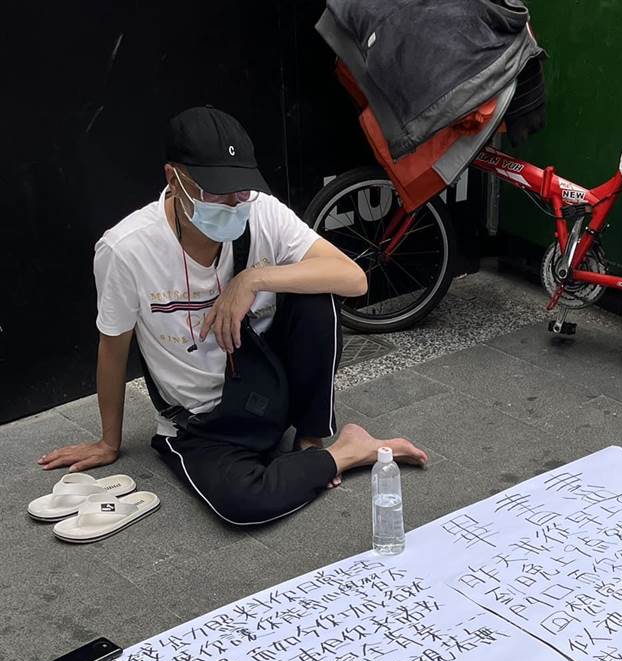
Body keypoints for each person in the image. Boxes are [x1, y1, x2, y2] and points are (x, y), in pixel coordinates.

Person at [39, 105, 426, 525]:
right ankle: (346, 452)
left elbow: (354, 278)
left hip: (270, 389)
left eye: (241, 189)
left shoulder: (262, 212)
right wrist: (108, 442)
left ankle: (310, 442)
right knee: (242, 507)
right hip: (203, 422)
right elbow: (113, 349)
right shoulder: (125, 249)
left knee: (318, 294)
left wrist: (253, 279)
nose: (233, 202)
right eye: (217, 191)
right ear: (174, 179)